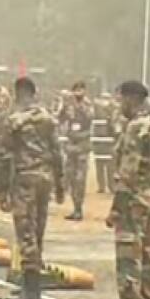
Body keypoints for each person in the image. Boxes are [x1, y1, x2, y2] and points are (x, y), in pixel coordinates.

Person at [104, 80, 150, 299]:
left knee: (128, 257)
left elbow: (127, 172)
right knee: (148, 254)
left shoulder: (134, 128)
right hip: (149, 196)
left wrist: (116, 207)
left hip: (133, 200)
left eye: (122, 100)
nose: (120, 105)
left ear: (130, 99)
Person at [0, 76, 63, 299]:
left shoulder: (14, 120)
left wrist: (2, 190)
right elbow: (57, 152)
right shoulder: (48, 119)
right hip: (45, 179)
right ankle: (32, 285)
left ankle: (31, 289)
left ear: (17, 93)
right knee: (38, 231)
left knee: (25, 232)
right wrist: (61, 183)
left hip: (25, 178)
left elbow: (4, 157)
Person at [59, 81, 94, 221]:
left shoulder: (87, 105)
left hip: (82, 145)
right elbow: (61, 117)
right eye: (76, 90)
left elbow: (89, 118)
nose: (78, 92)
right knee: (71, 178)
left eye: (81, 90)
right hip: (71, 145)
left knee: (80, 179)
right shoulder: (68, 105)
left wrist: (78, 106)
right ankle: (74, 207)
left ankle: (79, 209)